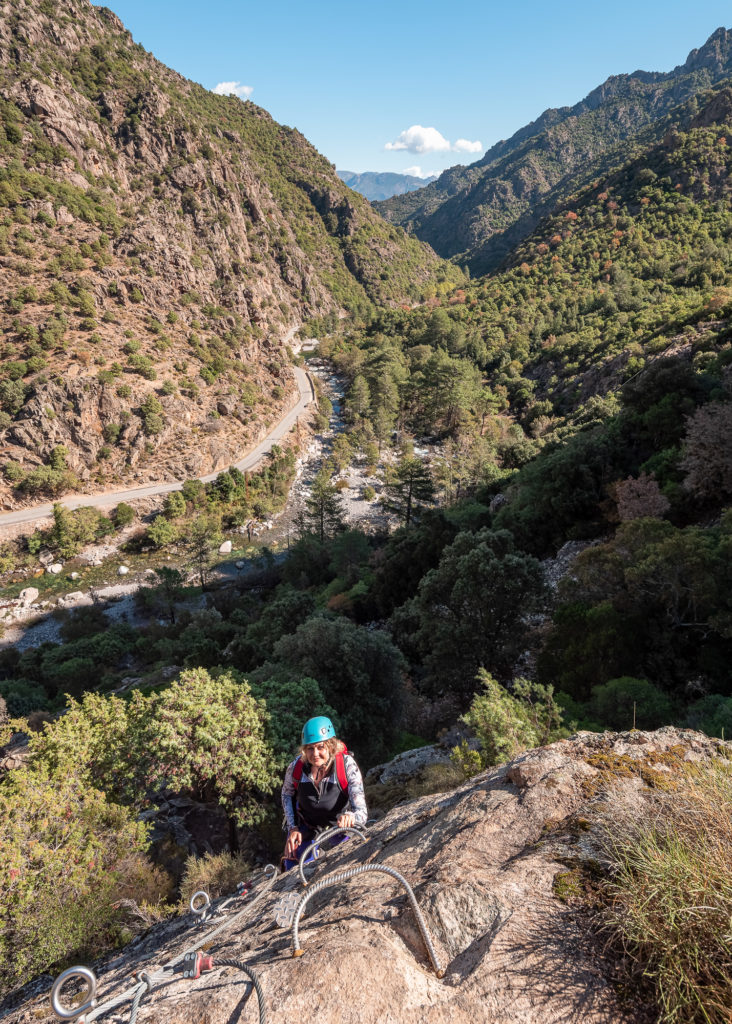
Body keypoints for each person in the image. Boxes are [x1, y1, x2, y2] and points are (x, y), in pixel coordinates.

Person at [281, 715, 367, 870]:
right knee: (294, 865)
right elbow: (287, 794)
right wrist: (292, 828)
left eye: (321, 747)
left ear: (331, 747)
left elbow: (362, 813)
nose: (315, 754)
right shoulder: (296, 769)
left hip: (339, 824)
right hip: (308, 823)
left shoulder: (346, 766)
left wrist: (351, 817)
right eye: (310, 748)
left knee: (348, 862)